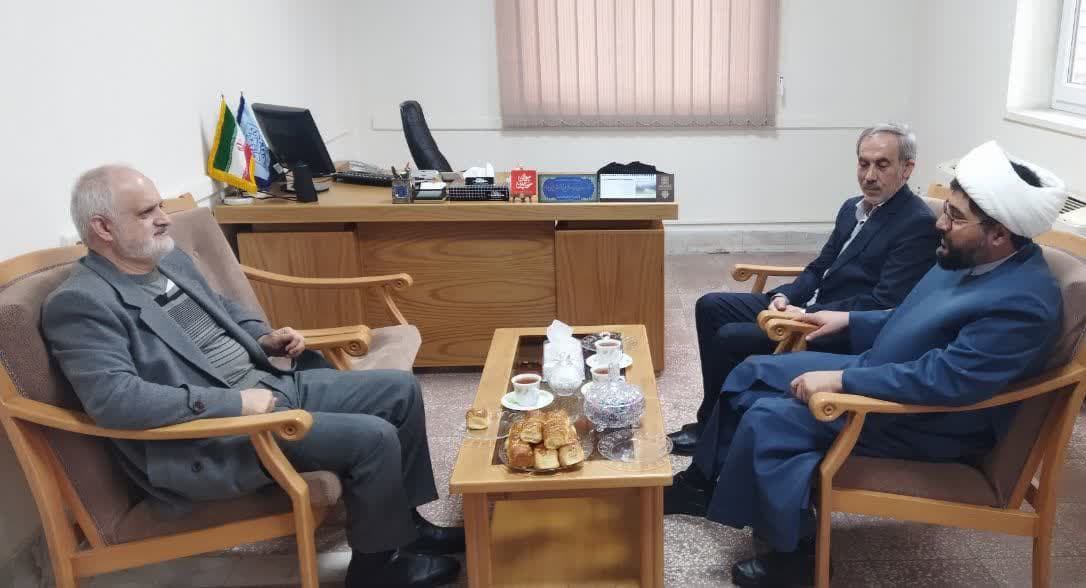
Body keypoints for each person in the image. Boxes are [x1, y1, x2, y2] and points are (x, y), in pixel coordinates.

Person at [664, 140, 1068, 587]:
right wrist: (850, 320)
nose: (940, 223)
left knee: (771, 417)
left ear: (999, 233)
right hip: (884, 370)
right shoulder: (970, 256)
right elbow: (911, 316)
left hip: (927, 420)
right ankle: (702, 485)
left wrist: (843, 379)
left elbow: (947, 380)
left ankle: (794, 557)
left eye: (954, 216)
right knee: (751, 372)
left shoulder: (1023, 303)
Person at [42, 165, 461, 588]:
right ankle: (375, 571)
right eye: (146, 213)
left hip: (268, 386)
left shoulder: (166, 260)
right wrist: (236, 404)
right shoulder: (81, 303)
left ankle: (408, 527)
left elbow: (223, 309)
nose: (164, 219)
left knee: (399, 390)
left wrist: (264, 337)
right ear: (103, 228)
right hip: (218, 433)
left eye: (160, 207)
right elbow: (116, 400)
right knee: (373, 437)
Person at [669, 123, 941, 455]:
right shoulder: (852, 207)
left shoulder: (915, 224)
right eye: (863, 163)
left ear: (907, 169)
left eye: (882, 165)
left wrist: (808, 313)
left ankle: (717, 439)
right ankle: (710, 420)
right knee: (710, 305)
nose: (869, 175)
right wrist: (785, 296)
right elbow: (818, 267)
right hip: (807, 306)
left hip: (833, 327)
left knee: (730, 338)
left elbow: (883, 302)